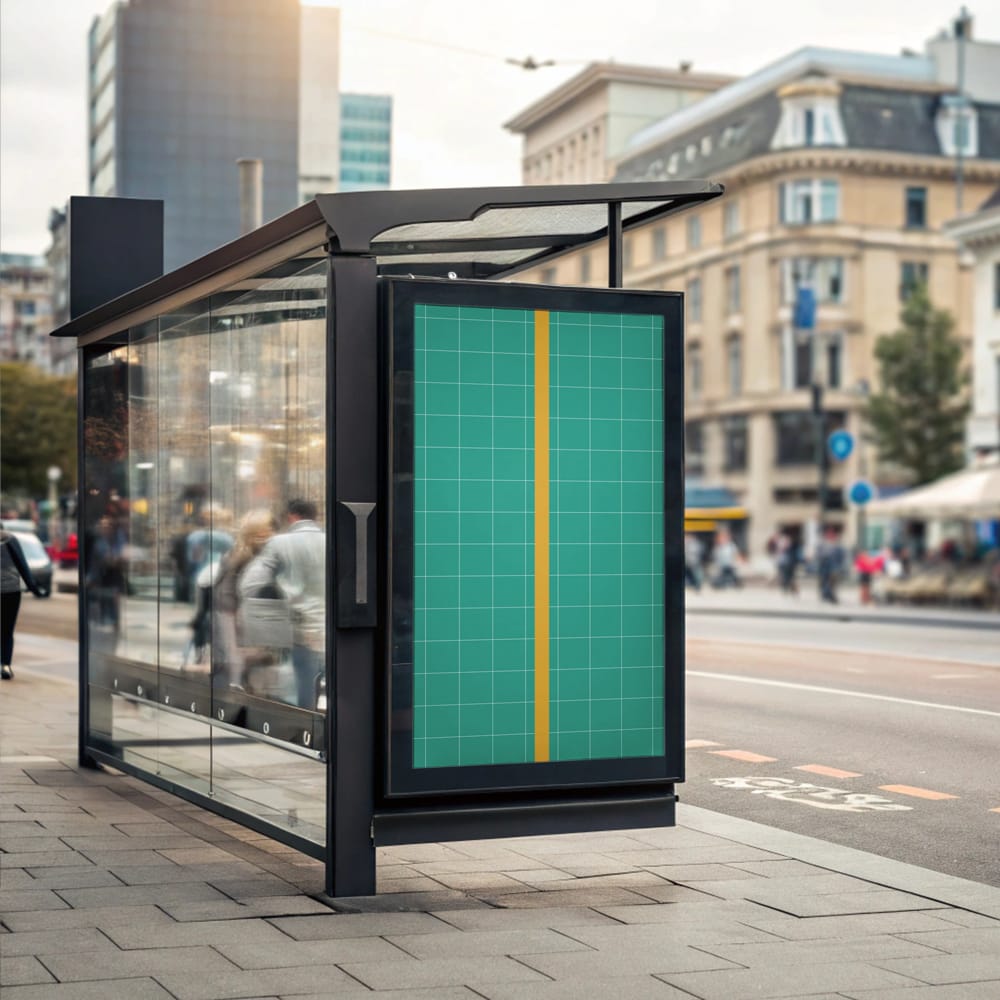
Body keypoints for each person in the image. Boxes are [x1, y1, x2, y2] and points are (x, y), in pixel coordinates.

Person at [242, 499, 326, 709]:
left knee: (305, 688)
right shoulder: (332, 540)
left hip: (299, 627)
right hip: (332, 627)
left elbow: (249, 584)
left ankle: (306, 731)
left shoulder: (279, 543)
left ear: (291, 516)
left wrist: (275, 594)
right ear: (314, 516)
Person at [211, 509, 279, 689]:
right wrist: (232, 647)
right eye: (265, 531)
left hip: (261, 627)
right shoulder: (239, 559)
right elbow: (226, 603)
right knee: (246, 676)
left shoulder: (270, 556)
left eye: (271, 530)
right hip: (243, 626)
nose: (270, 535)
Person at [1, 530, 49, 680]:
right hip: (11, 591)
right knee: (7, 630)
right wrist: (35, 589)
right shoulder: (10, 539)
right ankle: (5, 665)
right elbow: (22, 566)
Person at [816, 527, 845, 604]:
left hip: (833, 565)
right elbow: (818, 553)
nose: (830, 536)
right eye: (829, 534)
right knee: (824, 580)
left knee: (832, 581)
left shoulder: (837, 545)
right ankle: (825, 594)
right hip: (824, 564)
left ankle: (829, 594)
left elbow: (841, 555)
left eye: (832, 535)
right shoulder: (822, 543)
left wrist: (839, 565)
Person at [776, 531, 799, 596]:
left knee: (790, 578)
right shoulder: (780, 546)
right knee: (784, 577)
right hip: (783, 563)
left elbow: (794, 556)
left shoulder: (792, 547)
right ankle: (785, 589)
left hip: (790, 564)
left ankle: (793, 590)